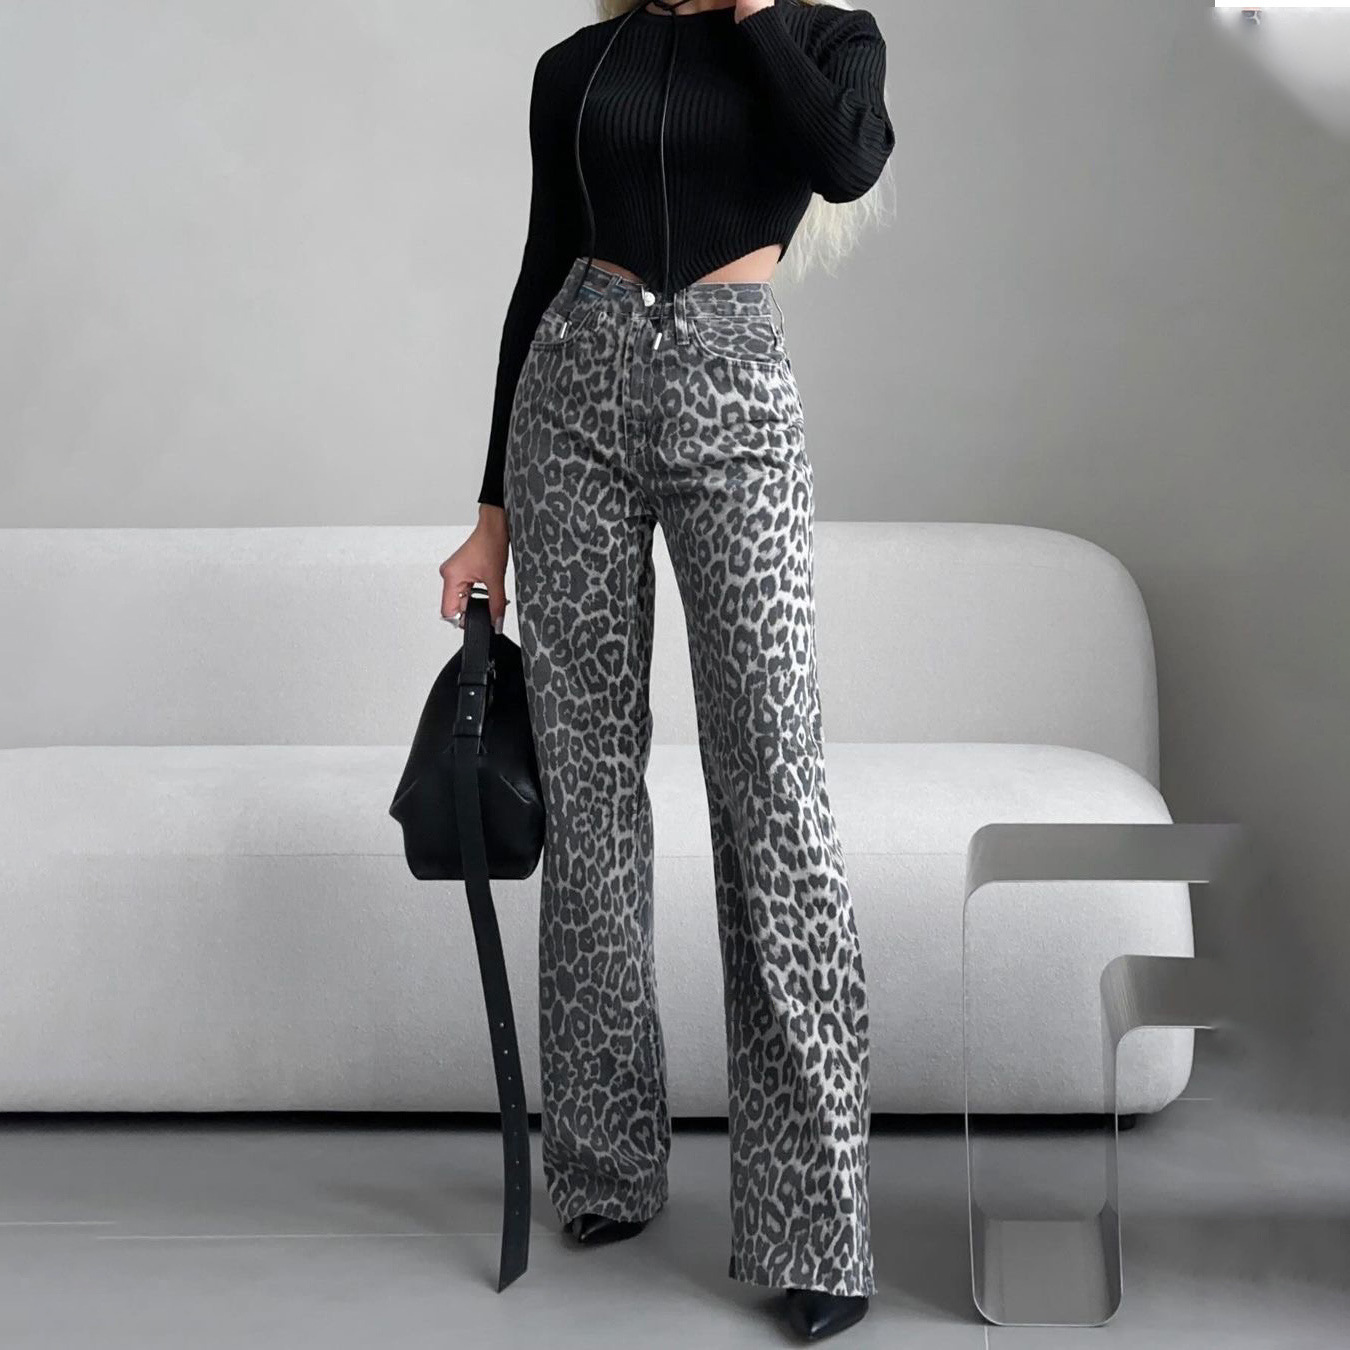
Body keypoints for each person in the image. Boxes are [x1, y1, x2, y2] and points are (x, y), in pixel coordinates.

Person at [439, 0, 894, 1340]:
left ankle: (816, 1222)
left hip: (733, 394)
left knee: (776, 795)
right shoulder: (578, 66)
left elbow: (847, 161)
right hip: (570, 399)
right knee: (588, 795)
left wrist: (753, 14)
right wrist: (489, 517)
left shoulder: (827, 40)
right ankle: (604, 1165)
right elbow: (540, 268)